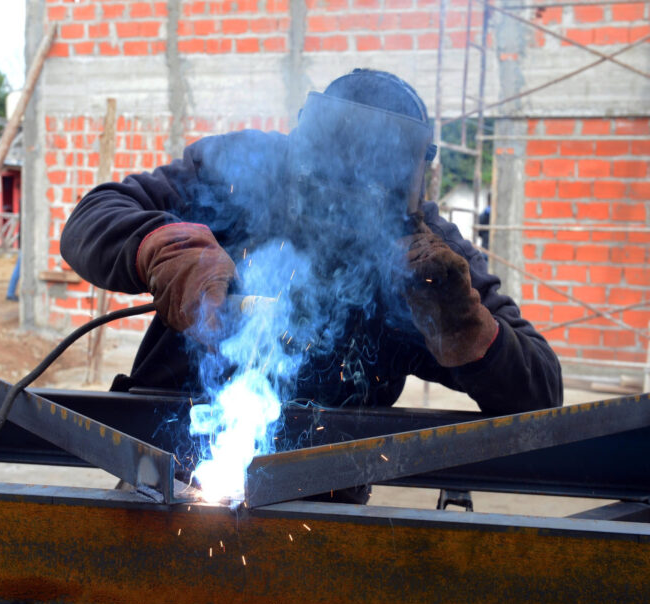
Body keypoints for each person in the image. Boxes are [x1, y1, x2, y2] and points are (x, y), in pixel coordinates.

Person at [61, 69, 562, 417]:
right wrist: (166, 251)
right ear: (300, 149)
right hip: (166, 450)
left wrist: (465, 327)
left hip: (319, 495)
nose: (335, 213)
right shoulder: (243, 171)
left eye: (359, 200)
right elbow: (93, 217)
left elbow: (541, 390)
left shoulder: (428, 259)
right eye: (323, 187)